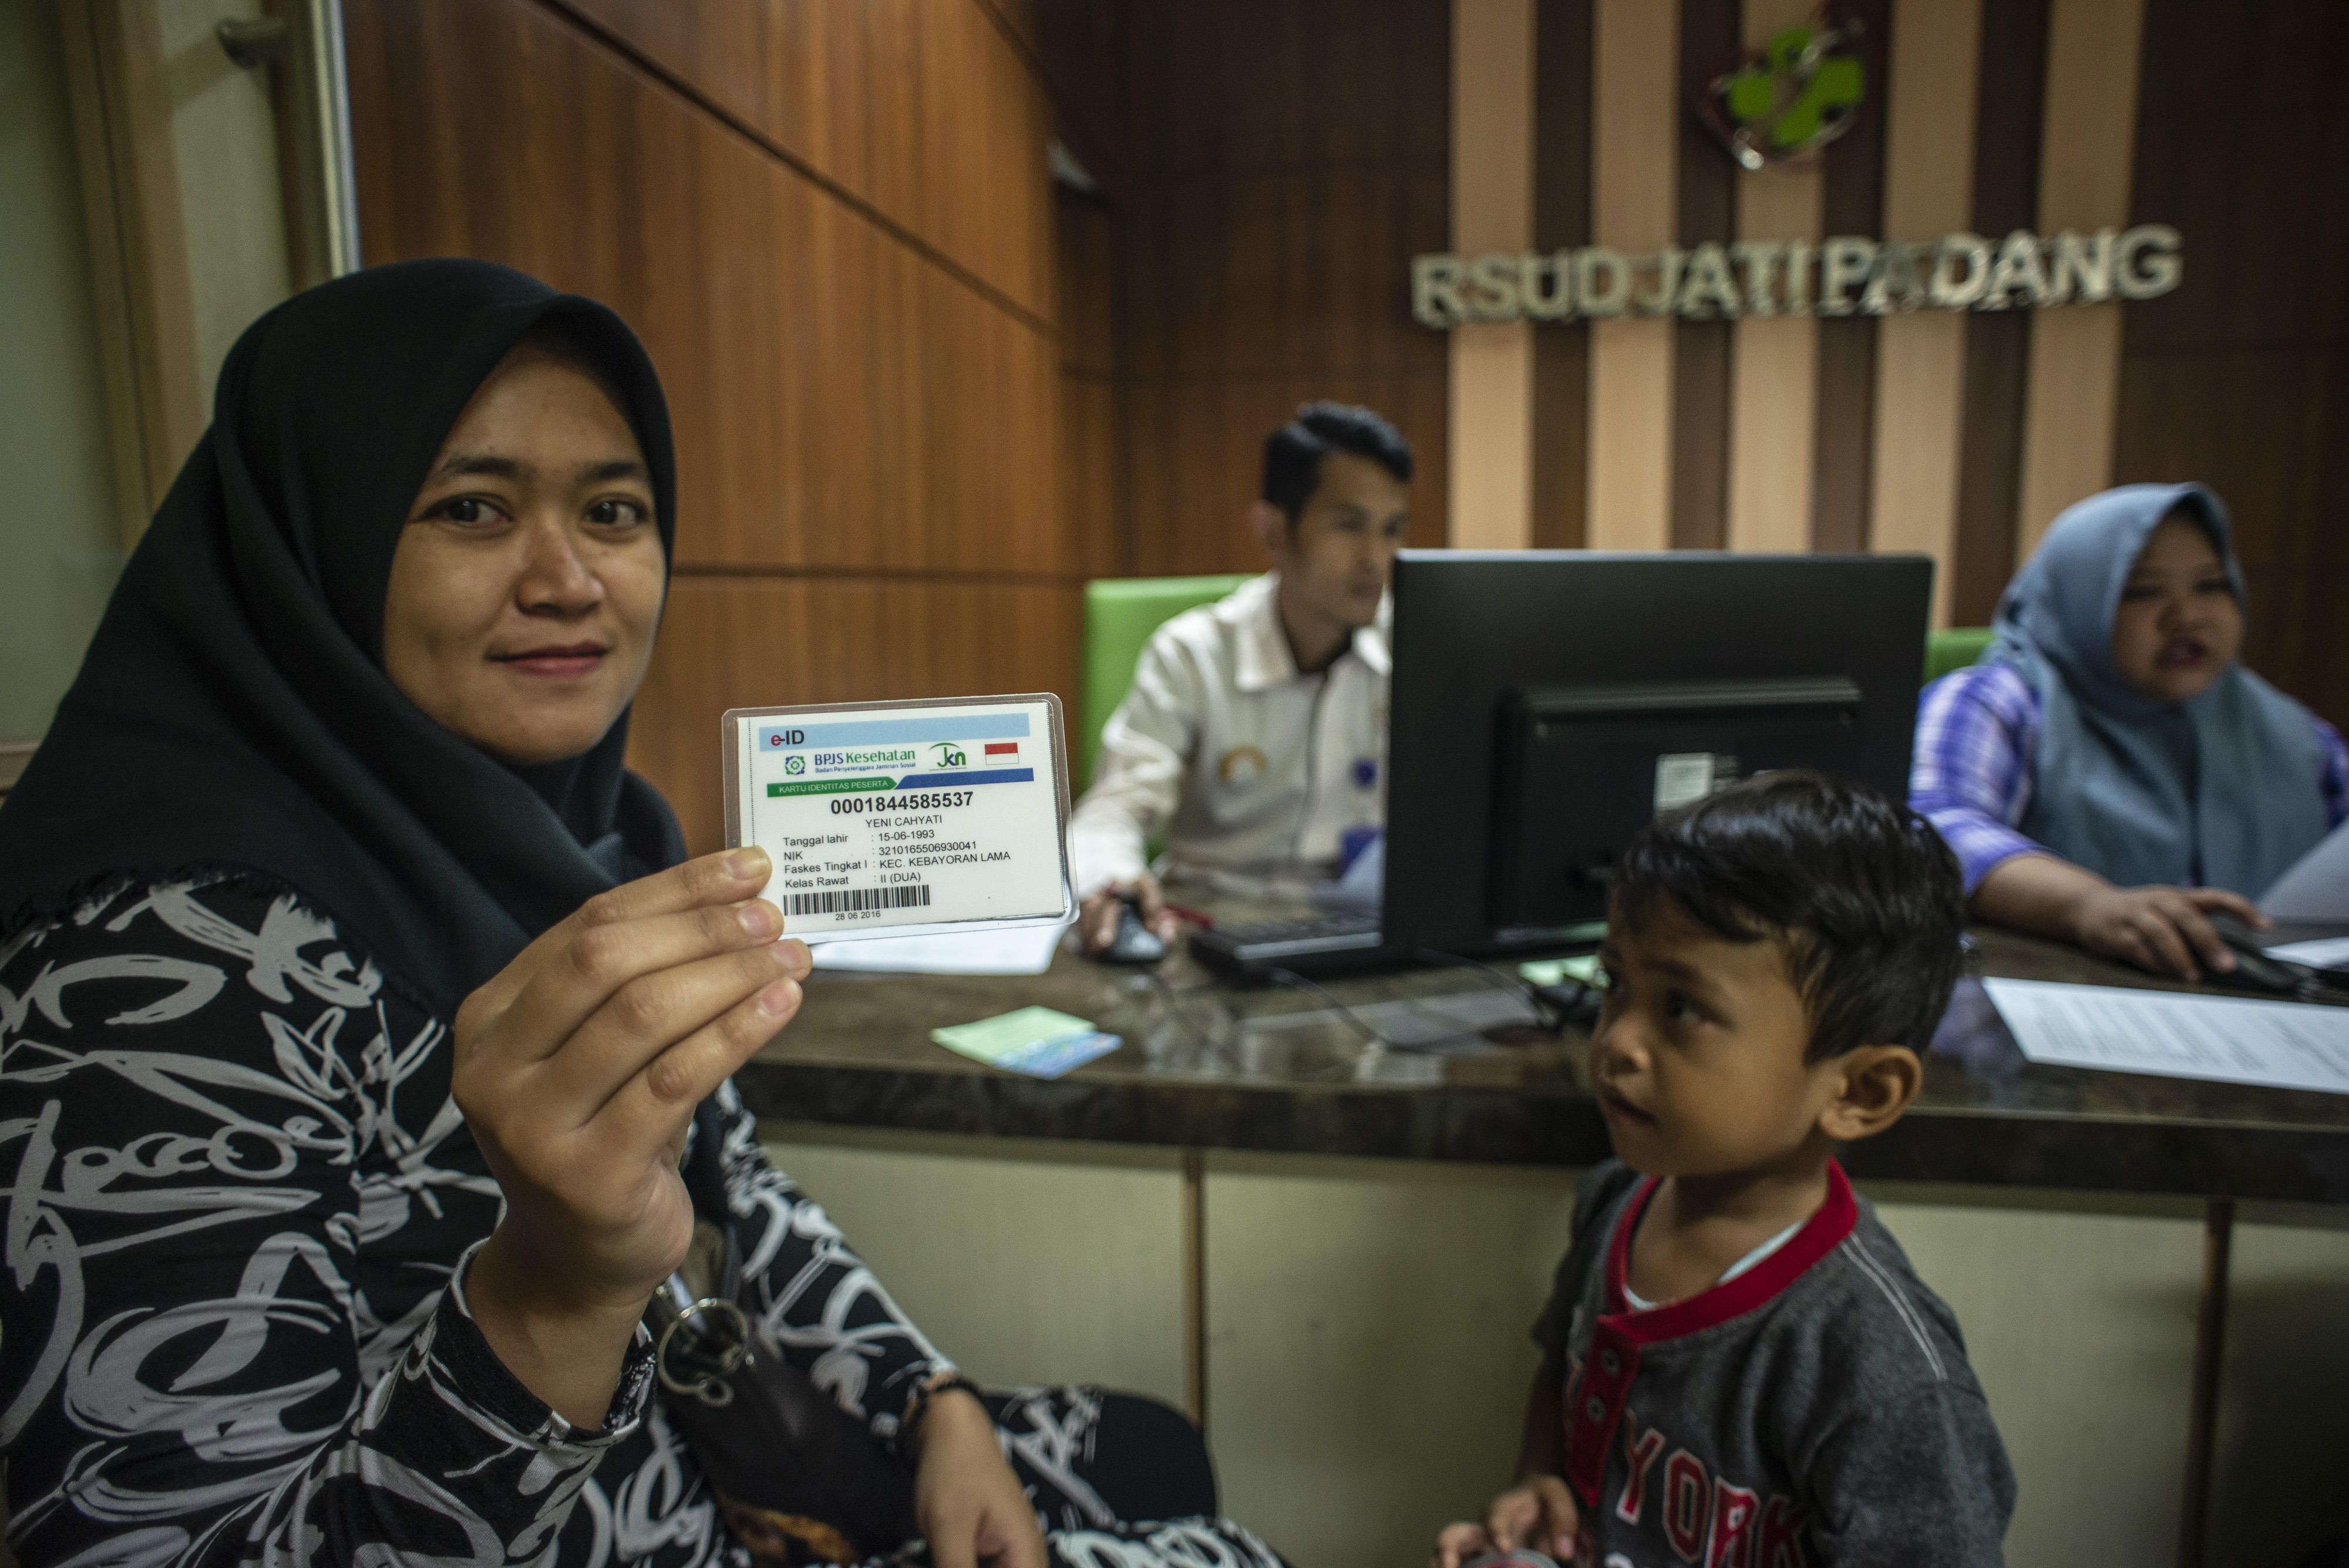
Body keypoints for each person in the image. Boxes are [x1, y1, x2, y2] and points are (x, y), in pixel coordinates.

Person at [0, 260, 1281, 1567]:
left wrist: (925, 1396)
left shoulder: (588, 840)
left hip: (716, 1473)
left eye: (611, 509)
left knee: (1144, 1449)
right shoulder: (153, 976)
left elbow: (733, 1190)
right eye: (470, 509)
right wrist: (554, 1289)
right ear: (310, 539)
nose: (568, 579)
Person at [1433, 774, 2014, 1567]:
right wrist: (1539, 1493)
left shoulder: (1880, 1371)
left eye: (1681, 1008)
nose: (1617, 1041)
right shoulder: (1614, 1201)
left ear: (1858, 1090)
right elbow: (1558, 1372)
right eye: (1616, 985)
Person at [1912, 483, 2348, 981]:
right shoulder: (2001, 700)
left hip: (2273, 1017)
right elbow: (1930, 830)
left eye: (2210, 585)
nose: (2187, 617)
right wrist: (2087, 905)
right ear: (2074, 600)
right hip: (2054, 1018)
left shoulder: (2294, 733)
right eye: (2142, 591)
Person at [1070, 403, 1411, 952]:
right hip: (1208, 929)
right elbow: (1117, 806)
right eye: (1349, 525)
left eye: (1392, 530)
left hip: (1365, 934)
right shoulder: (1192, 655)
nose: (1377, 557)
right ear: (1273, 529)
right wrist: (1109, 881)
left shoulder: (1418, 645)